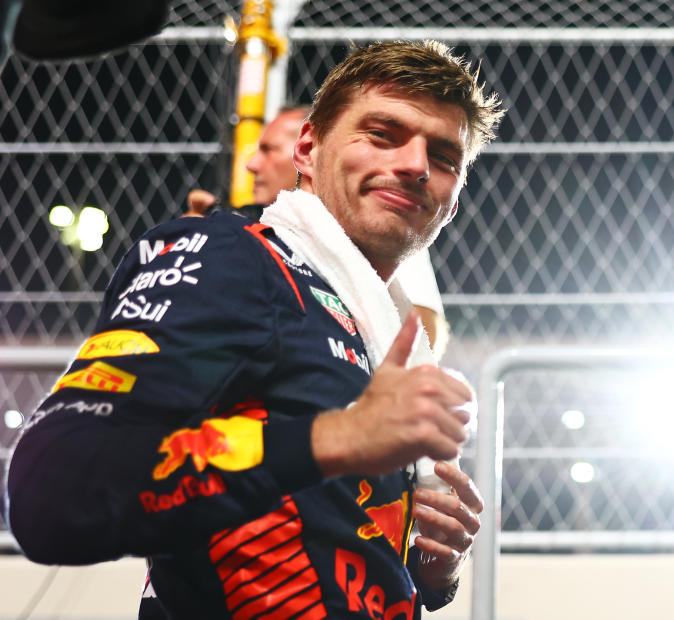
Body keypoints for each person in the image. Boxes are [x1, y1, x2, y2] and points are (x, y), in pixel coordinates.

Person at [5, 40, 503, 619]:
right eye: (383, 134)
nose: (416, 164)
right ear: (309, 148)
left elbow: (334, 539)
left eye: (443, 157)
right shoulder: (231, 260)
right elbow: (55, 490)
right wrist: (335, 439)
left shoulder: (387, 328)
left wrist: (429, 565)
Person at [187, 106, 450, 357]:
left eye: (269, 150)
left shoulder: (374, 223)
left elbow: (426, 337)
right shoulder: (245, 225)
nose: (252, 164)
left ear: (309, 150)